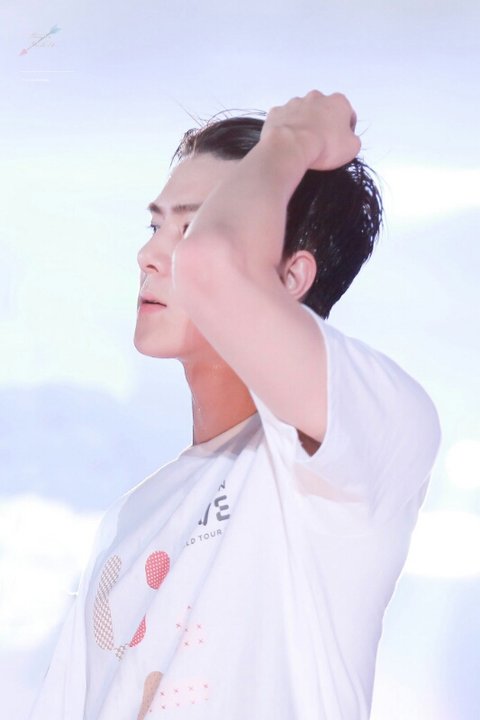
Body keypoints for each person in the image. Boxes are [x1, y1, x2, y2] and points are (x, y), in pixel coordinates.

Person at [29, 90, 441, 720]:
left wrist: (292, 139)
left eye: (193, 227)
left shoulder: (371, 431)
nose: (150, 256)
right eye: (156, 226)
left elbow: (216, 268)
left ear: (290, 278)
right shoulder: (131, 519)